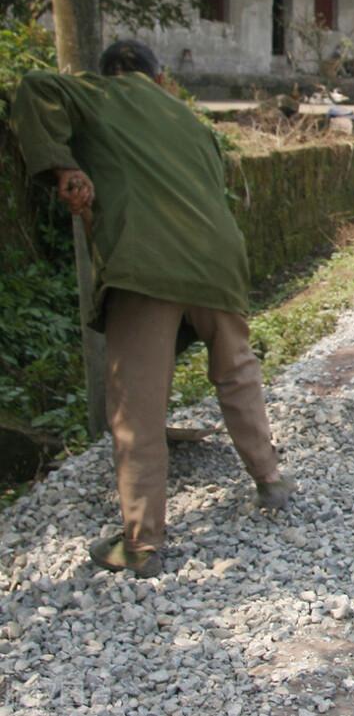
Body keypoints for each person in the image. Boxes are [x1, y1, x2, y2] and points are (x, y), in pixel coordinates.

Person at [10, 40, 295, 579]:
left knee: (137, 406)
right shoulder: (193, 123)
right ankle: (271, 481)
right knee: (237, 372)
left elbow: (35, 87)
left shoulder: (103, 92)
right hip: (219, 261)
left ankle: (142, 544)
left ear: (115, 74)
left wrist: (62, 166)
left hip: (147, 264)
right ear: (161, 79)